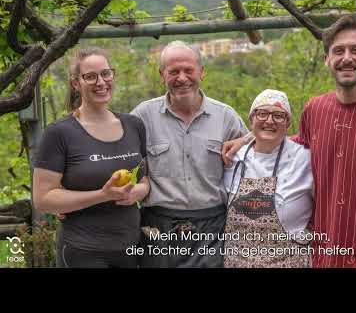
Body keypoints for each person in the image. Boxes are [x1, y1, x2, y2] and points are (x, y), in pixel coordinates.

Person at [223, 16, 356, 268]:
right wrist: (248, 139)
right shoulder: (316, 109)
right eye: (338, 51)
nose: (347, 58)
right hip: (324, 256)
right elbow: (291, 142)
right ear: (327, 60)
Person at [131, 40, 247, 268]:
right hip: (157, 226)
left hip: (213, 226)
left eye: (188, 70)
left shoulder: (226, 117)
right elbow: (113, 154)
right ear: (162, 74)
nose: (182, 78)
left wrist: (247, 138)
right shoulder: (142, 116)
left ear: (202, 72)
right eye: (173, 71)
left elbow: (263, 151)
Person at [33, 47, 150, 268]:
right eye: (90, 76)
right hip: (83, 251)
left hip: (130, 247)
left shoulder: (134, 125)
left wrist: (138, 191)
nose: (101, 82)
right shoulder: (60, 132)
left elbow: (145, 179)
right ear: (76, 83)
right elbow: (43, 199)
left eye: (106, 73)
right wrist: (103, 194)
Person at [222, 89, 313, 268]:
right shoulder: (232, 157)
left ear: (287, 123)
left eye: (278, 115)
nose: (269, 120)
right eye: (262, 113)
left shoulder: (305, 158)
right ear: (251, 119)